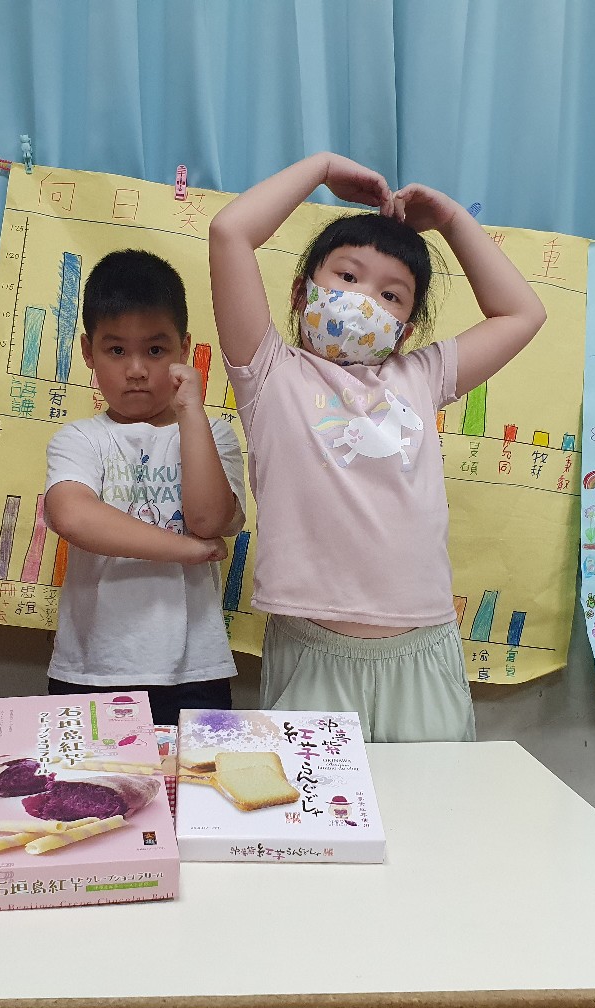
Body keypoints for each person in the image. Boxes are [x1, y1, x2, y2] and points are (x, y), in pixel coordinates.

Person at [208, 152, 546, 742]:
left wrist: (452, 220)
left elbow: (522, 313)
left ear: (405, 329)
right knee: (313, 806)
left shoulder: (421, 377)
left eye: (391, 295)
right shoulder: (269, 373)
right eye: (347, 276)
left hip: (423, 649)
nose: (365, 300)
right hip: (312, 653)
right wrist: (320, 168)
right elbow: (229, 232)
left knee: (435, 800)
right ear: (302, 292)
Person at [44, 249, 246, 727]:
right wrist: (188, 551)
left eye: (155, 350)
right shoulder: (80, 439)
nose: (136, 369)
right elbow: (72, 516)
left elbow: (208, 520)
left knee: (196, 778)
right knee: (91, 780)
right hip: (91, 670)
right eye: (116, 350)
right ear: (88, 352)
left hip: (196, 671)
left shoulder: (212, 434)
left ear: (183, 349)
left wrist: (190, 411)